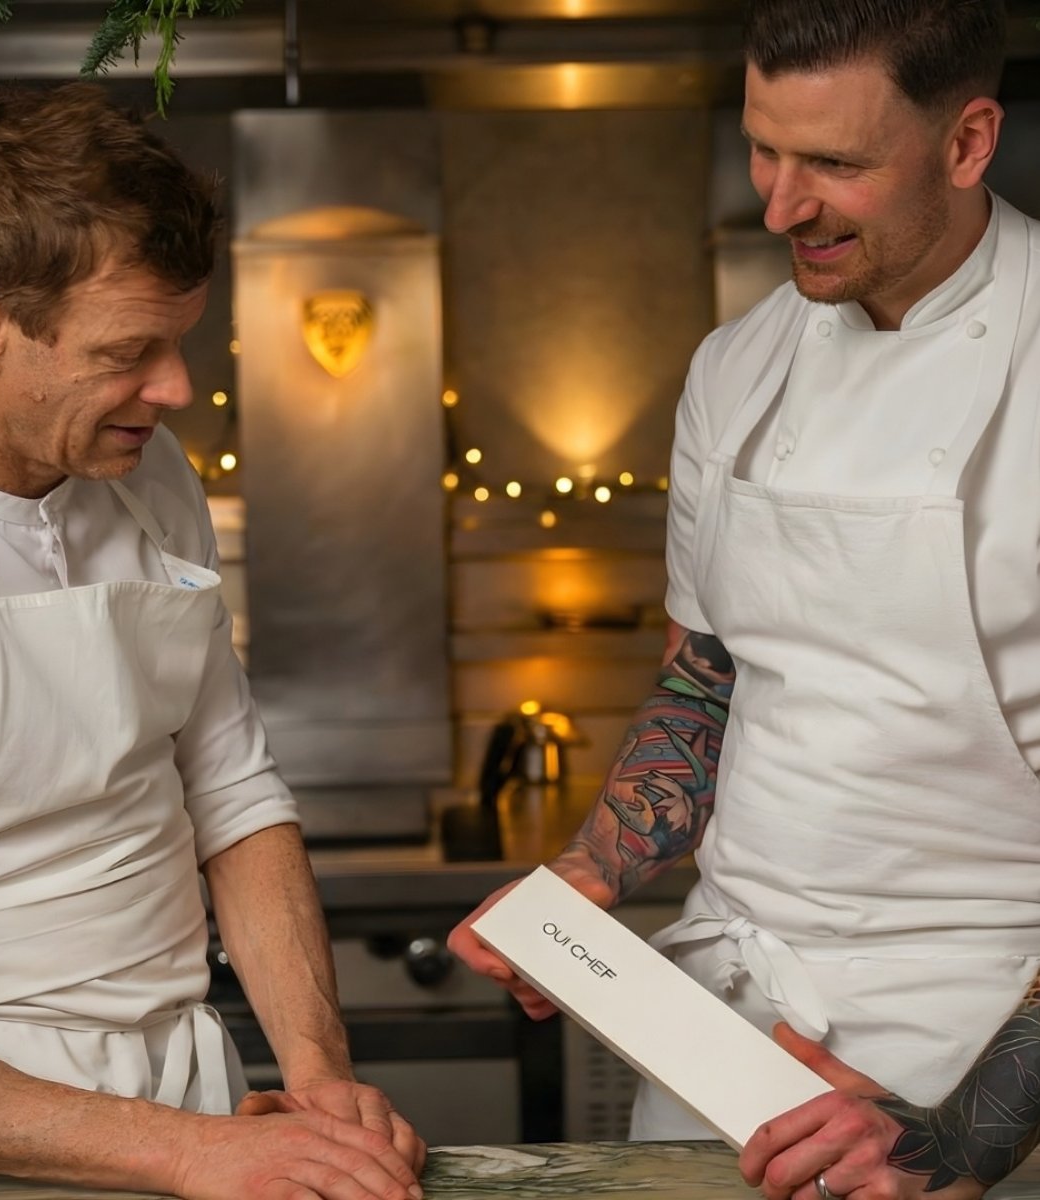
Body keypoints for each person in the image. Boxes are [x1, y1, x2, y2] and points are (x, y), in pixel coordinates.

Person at [449, 0, 1040, 1194]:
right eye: (763, 148)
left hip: (980, 1045)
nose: (778, 205)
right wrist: (591, 872)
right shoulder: (736, 364)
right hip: (722, 1028)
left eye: (832, 163)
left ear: (967, 143)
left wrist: (962, 1135)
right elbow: (709, 672)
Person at [0, 82, 424, 1200]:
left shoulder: (149, 477)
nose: (177, 388)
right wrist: (196, 1153)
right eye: (130, 350)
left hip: (192, 1100)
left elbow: (234, 792)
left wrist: (315, 1081)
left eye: (180, 341)